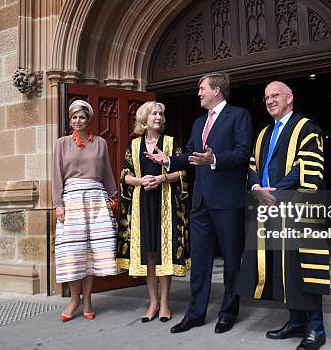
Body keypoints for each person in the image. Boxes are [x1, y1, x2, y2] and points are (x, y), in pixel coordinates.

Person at [145, 72, 252, 334]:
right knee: (201, 260)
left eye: (202, 88)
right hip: (201, 201)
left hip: (228, 200)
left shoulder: (239, 116)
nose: (199, 93)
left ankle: (228, 313)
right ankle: (196, 313)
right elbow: (190, 155)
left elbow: (242, 152)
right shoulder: (198, 122)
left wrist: (213, 160)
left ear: (216, 90)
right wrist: (168, 160)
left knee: (230, 260)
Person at [237, 81, 329, 350]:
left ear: (290, 98)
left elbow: (307, 167)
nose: (269, 100)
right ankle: (295, 320)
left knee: (304, 266)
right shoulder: (263, 133)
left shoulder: (307, 128)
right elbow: (252, 165)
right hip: (269, 209)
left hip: (299, 208)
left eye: (275, 95)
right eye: (266, 97)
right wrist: (256, 188)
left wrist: (274, 192)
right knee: (281, 265)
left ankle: (316, 327)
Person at [117, 101, 190, 323]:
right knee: (149, 253)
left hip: (165, 202)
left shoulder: (170, 143)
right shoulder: (134, 145)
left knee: (163, 252)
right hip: (143, 203)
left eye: (161, 113)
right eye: (154, 113)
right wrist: (140, 181)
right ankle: (153, 303)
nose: (158, 117)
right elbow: (124, 175)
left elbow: (183, 172)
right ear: (144, 119)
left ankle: (165, 303)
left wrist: (162, 178)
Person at [52, 99, 119, 322]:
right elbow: (56, 175)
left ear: (89, 120)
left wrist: (113, 197)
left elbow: (107, 171)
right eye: (74, 117)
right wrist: (58, 204)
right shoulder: (61, 143)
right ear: (70, 121)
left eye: (82, 117)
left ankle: (88, 299)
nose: (78, 121)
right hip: (72, 201)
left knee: (91, 253)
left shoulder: (100, 142)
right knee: (73, 252)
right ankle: (74, 300)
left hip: (97, 201)